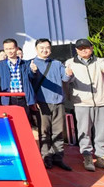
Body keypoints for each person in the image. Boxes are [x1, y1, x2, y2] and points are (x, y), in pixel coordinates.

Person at [66, 38, 104, 173]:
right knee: (84, 130)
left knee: (103, 129)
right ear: (76, 50)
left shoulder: (99, 61)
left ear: (91, 48)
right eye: (81, 48)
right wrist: (67, 75)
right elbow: (66, 78)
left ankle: (101, 157)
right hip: (82, 102)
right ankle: (87, 156)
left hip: (101, 100)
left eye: (86, 47)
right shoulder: (70, 63)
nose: (84, 50)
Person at [29, 38, 74, 171]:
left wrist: (68, 74)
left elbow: (65, 78)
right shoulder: (31, 63)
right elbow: (29, 82)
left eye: (47, 48)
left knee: (58, 131)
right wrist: (32, 72)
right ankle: (46, 157)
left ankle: (58, 157)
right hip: (42, 102)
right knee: (44, 132)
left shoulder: (57, 63)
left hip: (58, 101)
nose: (45, 50)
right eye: (42, 48)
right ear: (36, 49)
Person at [0, 39, 35, 115]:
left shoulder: (26, 64)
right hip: (8, 99)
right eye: (6, 49)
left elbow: (32, 77)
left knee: (24, 119)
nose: (9, 51)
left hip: (23, 98)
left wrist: (34, 71)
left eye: (11, 48)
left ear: (17, 48)